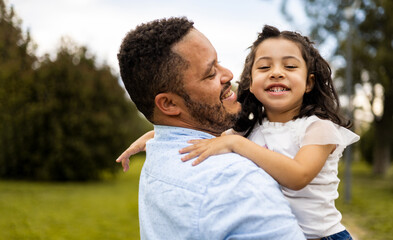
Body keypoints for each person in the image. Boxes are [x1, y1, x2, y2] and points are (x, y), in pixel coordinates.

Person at [118, 25, 359, 240]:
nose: (276, 72)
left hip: (326, 236)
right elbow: (194, 135)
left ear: (309, 82)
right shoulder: (253, 128)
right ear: (251, 83)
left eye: (290, 66)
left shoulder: (318, 127)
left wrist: (238, 145)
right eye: (264, 67)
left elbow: (298, 176)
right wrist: (154, 137)